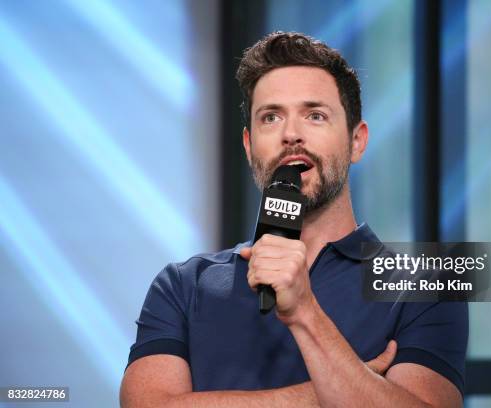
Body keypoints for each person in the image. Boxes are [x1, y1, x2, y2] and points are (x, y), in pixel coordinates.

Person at [120, 31, 468, 407]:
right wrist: (339, 388)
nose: (291, 135)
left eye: (315, 115)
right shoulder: (183, 285)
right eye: (271, 117)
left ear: (357, 141)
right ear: (249, 146)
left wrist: (305, 312)